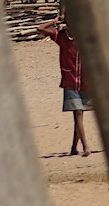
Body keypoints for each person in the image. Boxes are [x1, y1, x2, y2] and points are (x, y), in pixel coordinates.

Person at [36, 12, 91, 157]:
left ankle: (74, 147)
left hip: (85, 81)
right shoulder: (61, 37)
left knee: (78, 115)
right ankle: (86, 147)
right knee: (78, 113)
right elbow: (40, 28)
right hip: (70, 81)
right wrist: (54, 21)